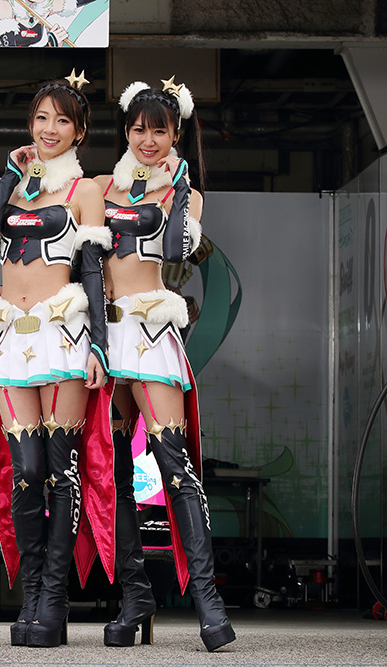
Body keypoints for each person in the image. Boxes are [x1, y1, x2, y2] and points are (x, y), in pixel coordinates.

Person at [0, 71, 115, 648]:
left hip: (63, 335)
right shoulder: (7, 184)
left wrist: (100, 344)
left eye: (62, 120)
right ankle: (31, 594)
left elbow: (93, 272)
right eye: (41, 118)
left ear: (79, 131)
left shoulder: (84, 190)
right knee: (25, 471)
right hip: (10, 337)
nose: (49, 129)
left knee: (60, 469)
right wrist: (10, 175)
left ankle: (54, 600)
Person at [93, 78, 235, 652]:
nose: (148, 139)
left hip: (152, 331)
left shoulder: (187, 194)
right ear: (125, 131)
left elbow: (176, 252)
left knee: (175, 465)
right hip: (105, 335)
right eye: (138, 129)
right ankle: (135, 598)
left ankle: (207, 599)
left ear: (177, 133)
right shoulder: (100, 187)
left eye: (159, 130)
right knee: (114, 472)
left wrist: (175, 187)